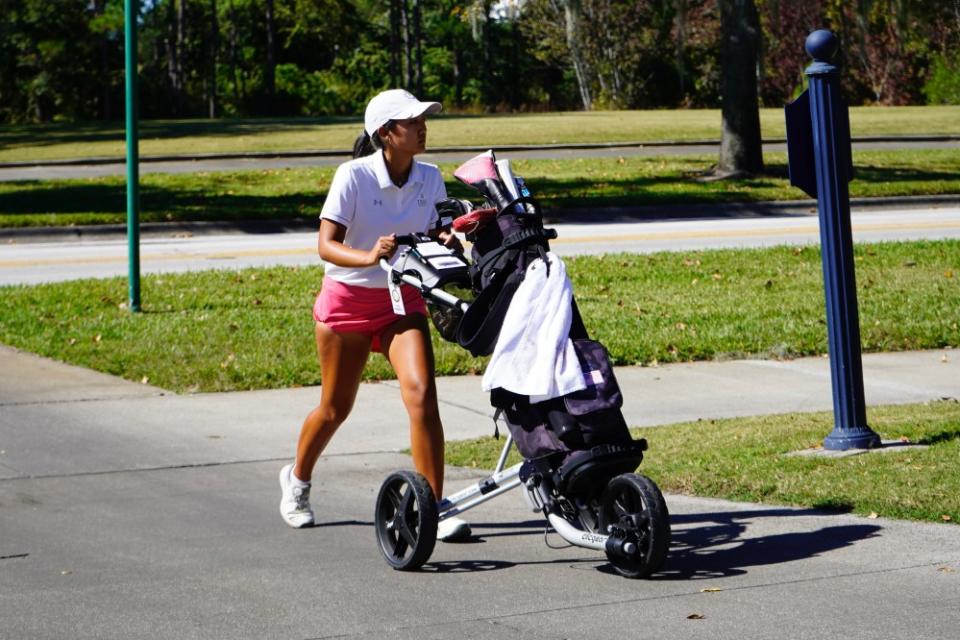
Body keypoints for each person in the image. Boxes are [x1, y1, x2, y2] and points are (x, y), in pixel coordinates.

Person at [279, 89, 471, 542]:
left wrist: (446, 240)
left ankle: (433, 507)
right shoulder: (353, 176)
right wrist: (368, 256)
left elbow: (435, 229)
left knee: (422, 396)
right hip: (347, 303)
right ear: (386, 133)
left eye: (425, 119)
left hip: (402, 301)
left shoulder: (430, 177)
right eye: (413, 121)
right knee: (334, 408)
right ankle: (297, 482)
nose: (423, 127)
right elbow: (325, 245)